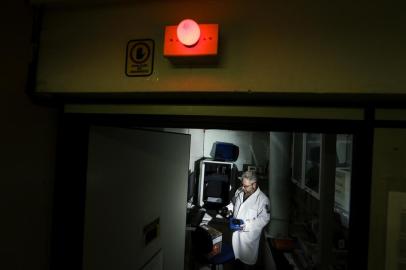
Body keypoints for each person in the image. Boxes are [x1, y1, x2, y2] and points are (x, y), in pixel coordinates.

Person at [226, 170, 270, 269]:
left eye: (246, 186)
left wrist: (246, 225)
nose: (243, 188)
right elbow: (233, 203)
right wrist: (228, 209)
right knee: (234, 265)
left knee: (246, 266)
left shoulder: (263, 200)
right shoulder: (240, 191)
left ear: (254, 185)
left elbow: (264, 219)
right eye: (242, 184)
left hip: (247, 242)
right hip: (234, 237)